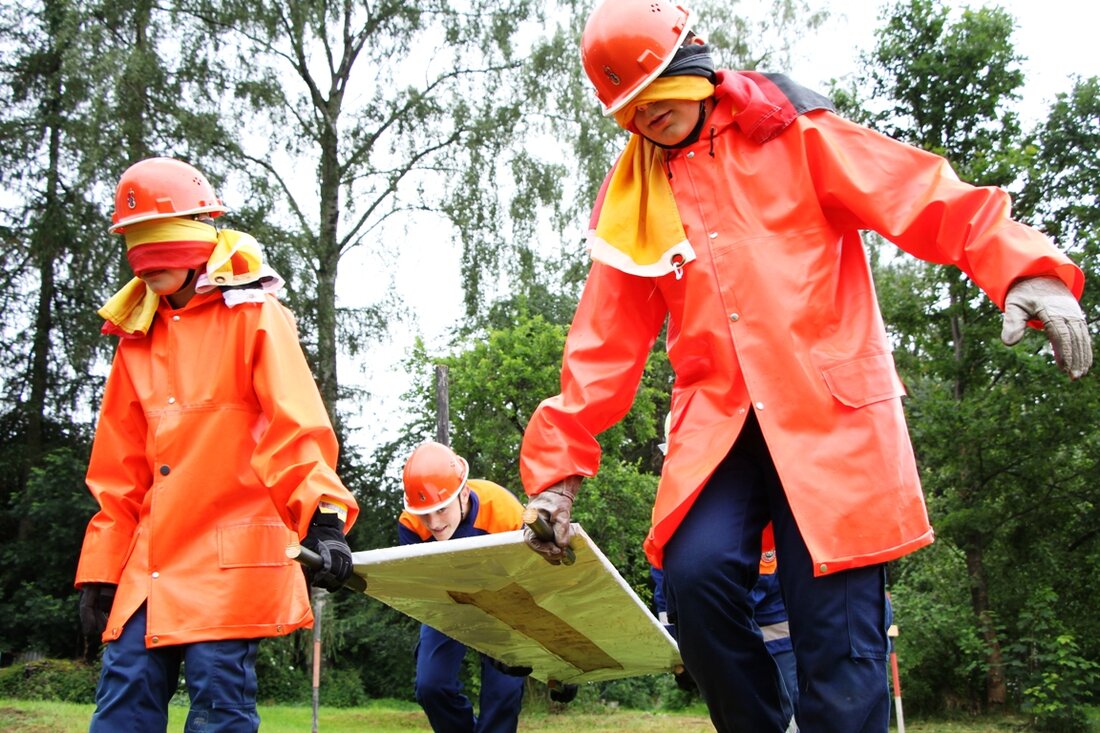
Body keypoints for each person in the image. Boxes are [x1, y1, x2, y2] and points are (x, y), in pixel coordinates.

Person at [518, 1, 1092, 732]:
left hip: (830, 418)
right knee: (693, 582)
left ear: (693, 65)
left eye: (658, 93)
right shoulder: (635, 196)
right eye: (630, 108)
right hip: (720, 427)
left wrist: (1024, 268)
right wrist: (557, 474)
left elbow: (922, 194)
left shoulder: (794, 133)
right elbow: (604, 340)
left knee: (839, 650)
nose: (648, 116)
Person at [74, 157, 359, 732]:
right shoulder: (136, 338)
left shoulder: (255, 316)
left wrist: (323, 520)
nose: (146, 259)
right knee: (125, 689)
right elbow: (119, 468)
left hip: (232, 554)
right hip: (151, 560)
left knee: (217, 698)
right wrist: (102, 568)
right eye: (134, 242)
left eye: (159, 239)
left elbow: (294, 429)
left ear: (199, 234)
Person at [399, 441, 529, 733]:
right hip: (448, 602)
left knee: (504, 692)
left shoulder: (506, 512)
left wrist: (560, 665)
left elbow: (533, 581)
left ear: (464, 494)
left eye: (441, 509)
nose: (433, 523)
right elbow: (425, 591)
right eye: (425, 513)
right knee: (431, 686)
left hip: (504, 604)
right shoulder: (411, 525)